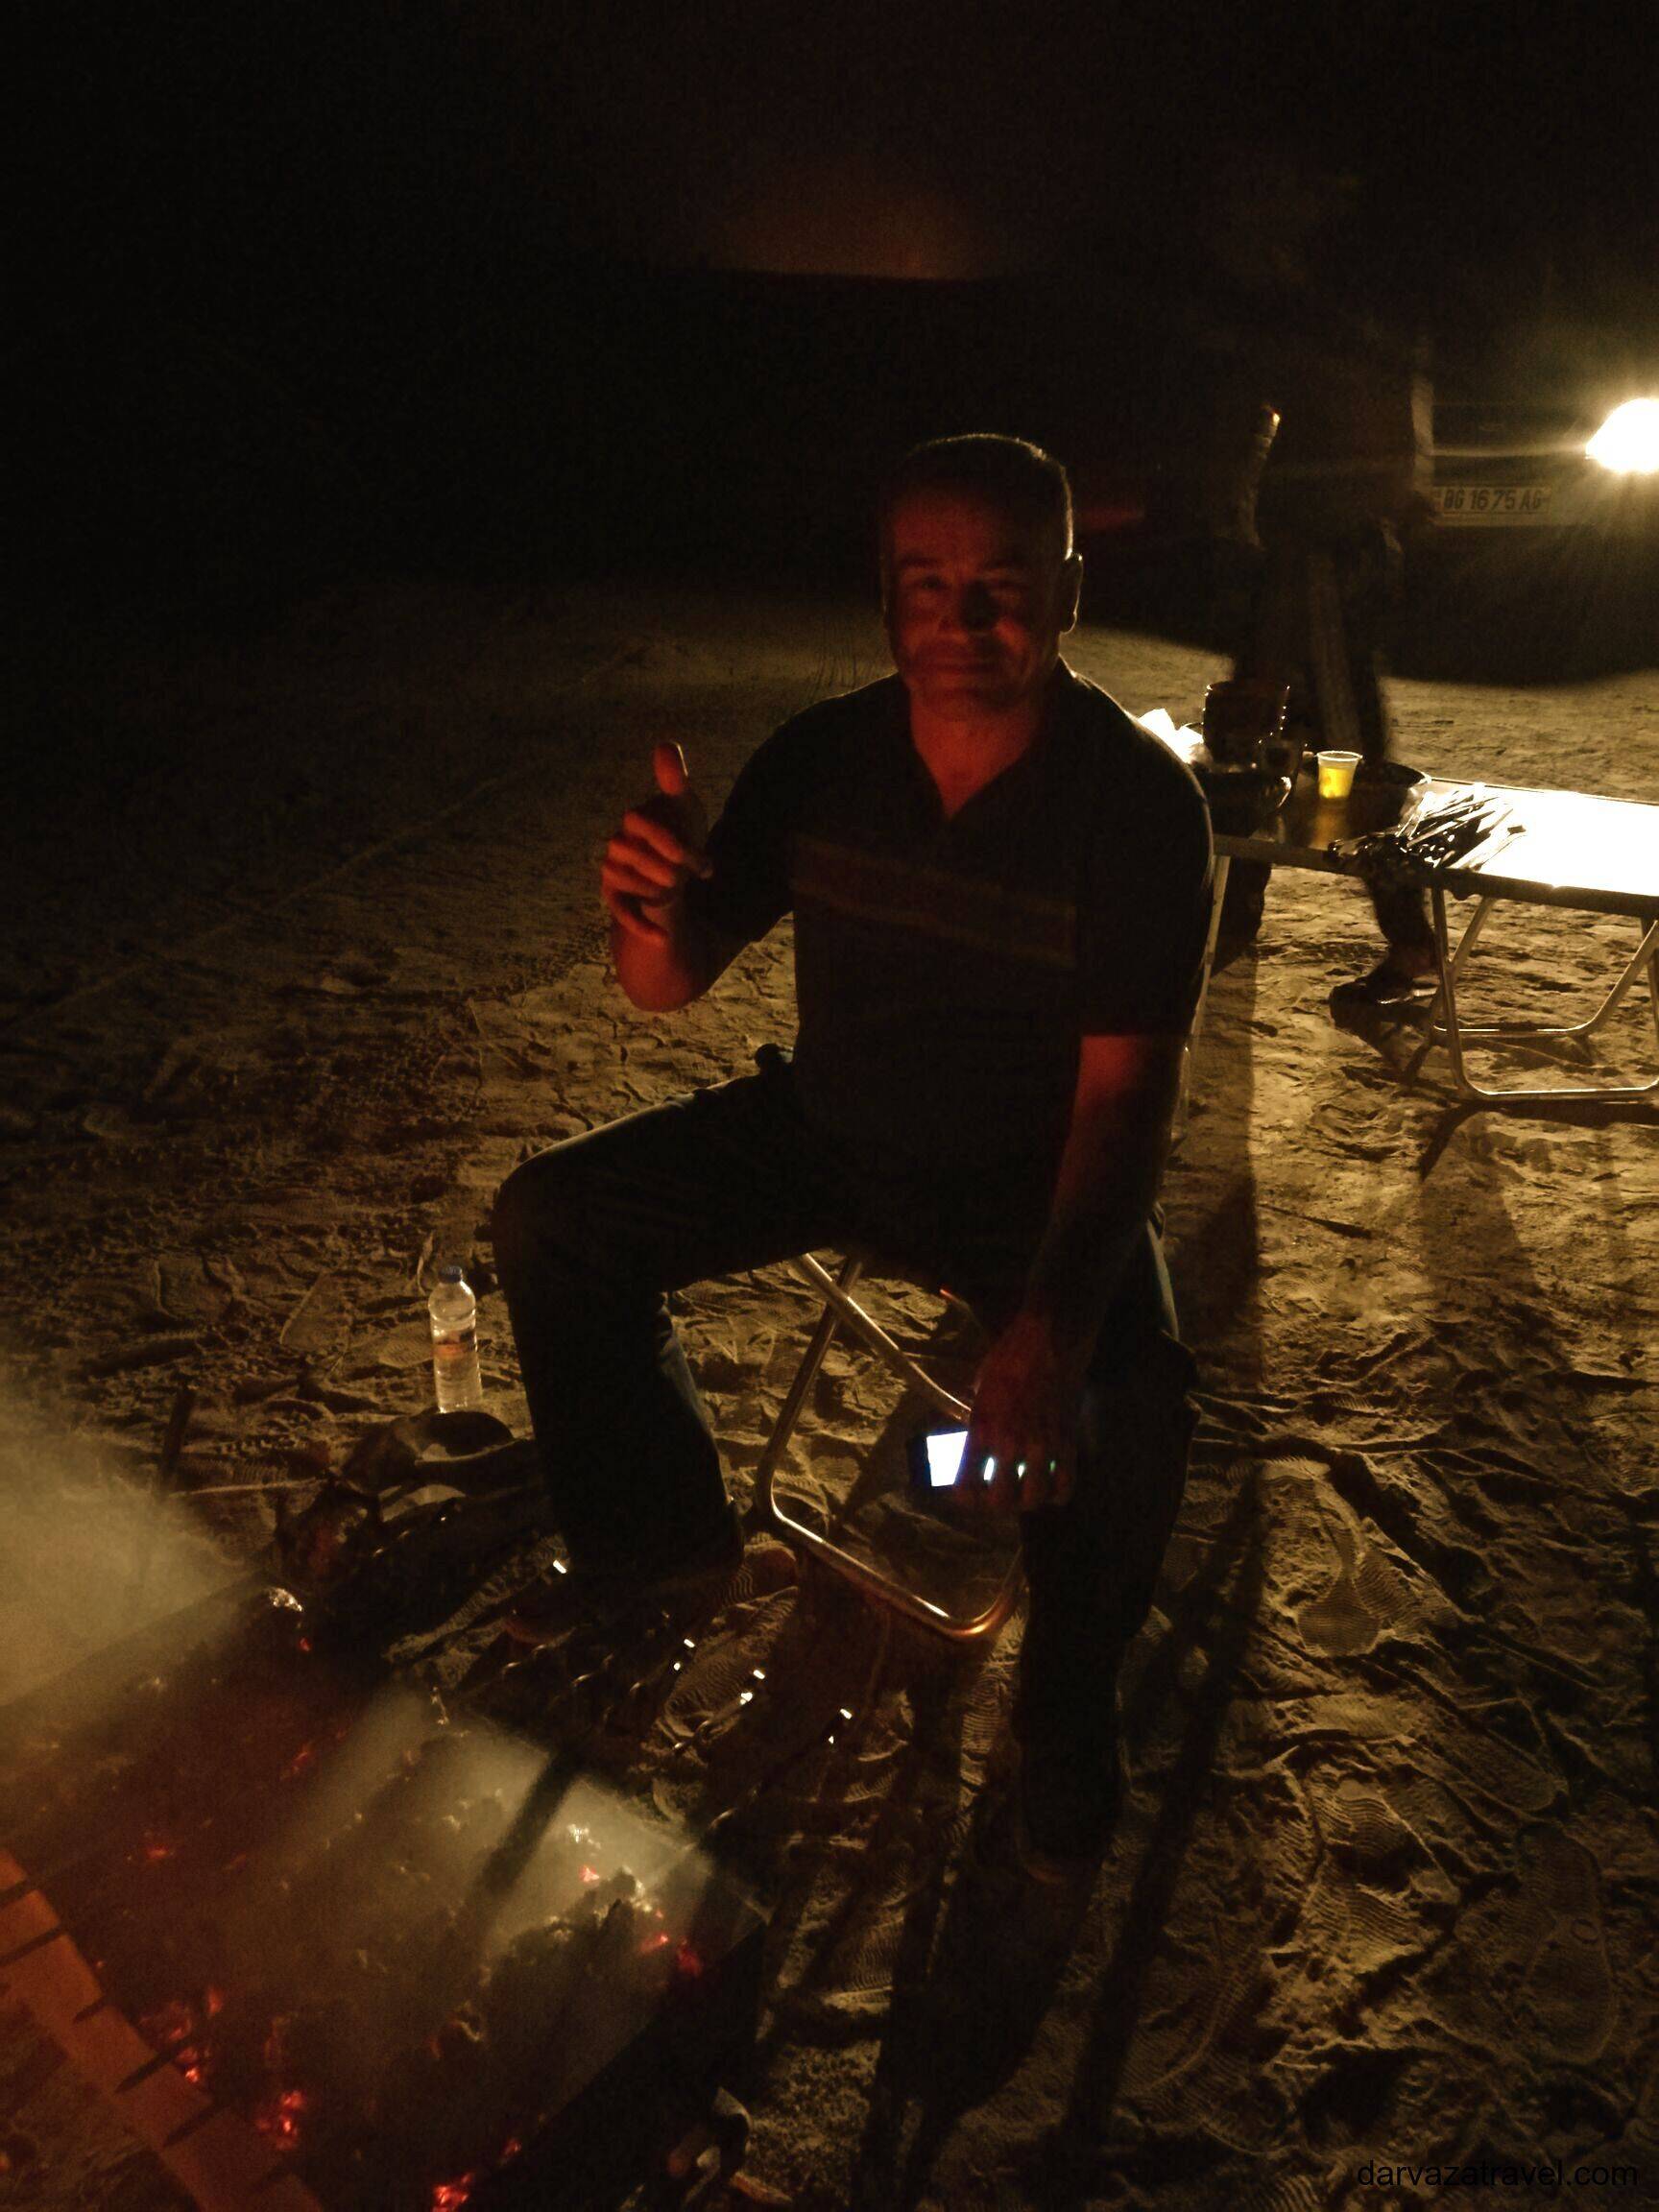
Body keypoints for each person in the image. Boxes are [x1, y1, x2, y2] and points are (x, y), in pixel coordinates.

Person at [490, 435, 1213, 1883]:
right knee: (554, 1218)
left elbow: (1123, 1104)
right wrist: (648, 899)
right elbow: (672, 981)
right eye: (926, 587)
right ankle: (660, 1540)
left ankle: (1064, 1711)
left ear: (1068, 592)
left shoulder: (1134, 810)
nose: (962, 624)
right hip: (832, 1126)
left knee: (1131, 1398)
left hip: (1027, 1177)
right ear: (885, 602)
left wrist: (1050, 1324)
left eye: (1001, 586)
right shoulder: (826, 759)